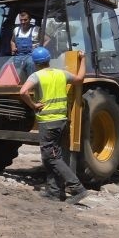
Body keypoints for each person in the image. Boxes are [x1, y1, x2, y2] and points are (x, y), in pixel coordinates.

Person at [19, 47, 89, 204]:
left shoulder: (36, 76)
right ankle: (54, 192)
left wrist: (33, 105)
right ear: (49, 60)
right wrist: (83, 60)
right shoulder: (61, 73)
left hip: (48, 122)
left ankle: (78, 189)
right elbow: (79, 79)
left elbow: (23, 92)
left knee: (52, 157)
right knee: (51, 156)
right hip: (62, 121)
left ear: (36, 63)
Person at [10, 10, 44, 81]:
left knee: (30, 64)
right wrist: (13, 47)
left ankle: (32, 85)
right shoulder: (16, 30)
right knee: (7, 66)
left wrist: (40, 49)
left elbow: (47, 39)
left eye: (25, 20)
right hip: (18, 55)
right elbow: (12, 41)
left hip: (31, 55)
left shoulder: (36, 29)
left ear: (30, 19)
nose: (23, 22)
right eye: (21, 20)